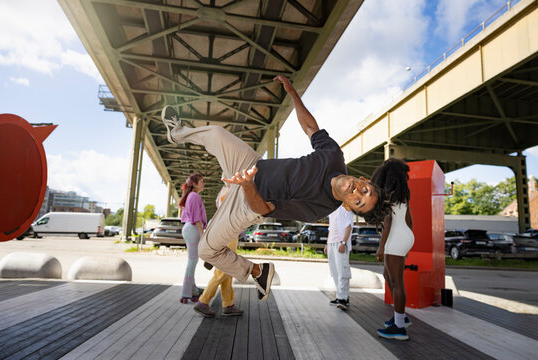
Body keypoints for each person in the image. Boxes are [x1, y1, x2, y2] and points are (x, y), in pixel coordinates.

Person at [161, 75, 389, 302]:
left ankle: (257, 271)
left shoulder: (318, 208)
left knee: (205, 251)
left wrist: (248, 186)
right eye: (364, 190)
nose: (356, 193)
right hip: (250, 164)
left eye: (358, 201)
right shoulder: (334, 156)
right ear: (363, 179)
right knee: (218, 134)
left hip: (248, 204)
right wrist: (293, 93)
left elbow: (266, 208)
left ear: (348, 207)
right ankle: (176, 133)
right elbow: (311, 128)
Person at [365, 158, 414, 341]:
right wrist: (407, 242)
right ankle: (401, 316)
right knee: (388, 276)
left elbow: (388, 221)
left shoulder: (388, 194)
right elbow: (409, 219)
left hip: (396, 237)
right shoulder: (401, 194)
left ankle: (399, 328)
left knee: (396, 281)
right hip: (404, 235)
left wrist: (381, 246)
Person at [194, 184, 244, 317]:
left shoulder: (223, 190)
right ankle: (203, 302)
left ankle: (228, 304)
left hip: (223, 228)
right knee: (225, 268)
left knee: (227, 269)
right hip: (230, 229)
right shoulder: (233, 191)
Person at [179, 172, 207, 304]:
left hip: (188, 228)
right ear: (195, 184)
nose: (203, 184)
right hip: (193, 229)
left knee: (192, 260)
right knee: (192, 261)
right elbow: (197, 219)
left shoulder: (189, 196)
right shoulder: (195, 196)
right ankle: (186, 292)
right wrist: (203, 235)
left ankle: (193, 290)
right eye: (201, 181)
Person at [324, 205, 354, 310]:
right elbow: (331, 227)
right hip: (332, 242)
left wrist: (344, 242)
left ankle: (343, 299)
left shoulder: (346, 207)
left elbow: (349, 226)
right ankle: (340, 296)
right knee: (335, 271)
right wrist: (327, 243)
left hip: (341, 243)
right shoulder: (332, 208)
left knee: (343, 271)